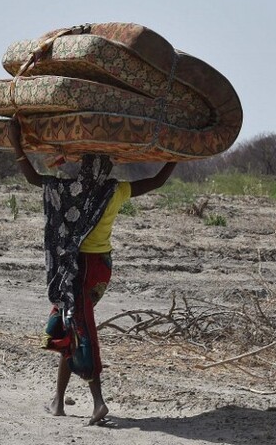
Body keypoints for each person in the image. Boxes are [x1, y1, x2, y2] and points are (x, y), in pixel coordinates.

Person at [9, 119, 176, 425]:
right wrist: (176, 155)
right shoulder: (116, 191)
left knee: (82, 330)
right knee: (69, 328)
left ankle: (98, 402)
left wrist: (16, 143)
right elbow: (157, 181)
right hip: (100, 270)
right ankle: (57, 401)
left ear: (83, 168)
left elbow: (34, 178)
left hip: (78, 271)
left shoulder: (69, 190)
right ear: (107, 169)